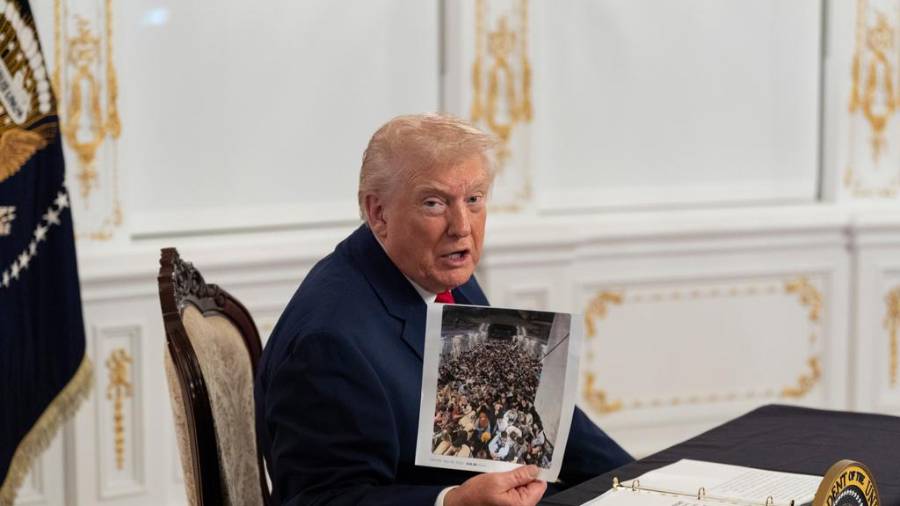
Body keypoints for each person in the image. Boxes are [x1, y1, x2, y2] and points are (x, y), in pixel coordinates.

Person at [255, 114, 632, 506]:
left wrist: (650, 483)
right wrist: (450, 502)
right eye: (434, 203)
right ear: (378, 213)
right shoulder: (327, 342)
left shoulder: (445, 272)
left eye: (474, 199)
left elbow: (536, 419)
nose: (462, 226)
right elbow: (321, 500)